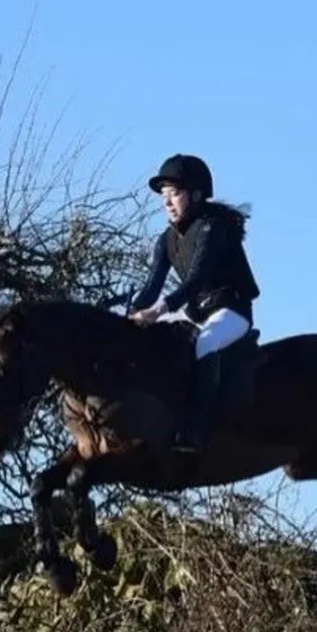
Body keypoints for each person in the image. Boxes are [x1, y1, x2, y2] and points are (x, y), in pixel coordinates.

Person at [128, 154, 261, 453]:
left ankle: (195, 428)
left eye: (174, 194)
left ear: (196, 194)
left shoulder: (212, 228)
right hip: (198, 314)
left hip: (231, 311)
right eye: (164, 196)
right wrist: (128, 316)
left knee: (205, 344)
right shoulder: (166, 240)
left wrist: (161, 309)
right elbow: (151, 288)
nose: (167, 203)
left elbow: (197, 280)